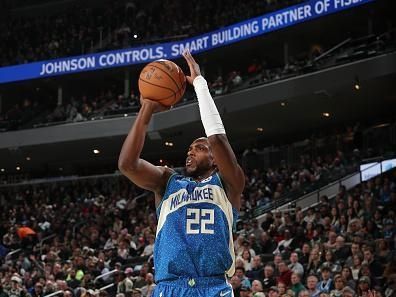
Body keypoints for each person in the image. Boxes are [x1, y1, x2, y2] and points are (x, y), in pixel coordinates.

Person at [118, 50, 245, 297]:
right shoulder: (167, 181)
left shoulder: (228, 184)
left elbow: (217, 138)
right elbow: (128, 164)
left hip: (214, 287)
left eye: (199, 148)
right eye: (189, 149)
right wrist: (147, 108)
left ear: (215, 159)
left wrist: (199, 84)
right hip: (169, 287)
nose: (191, 153)